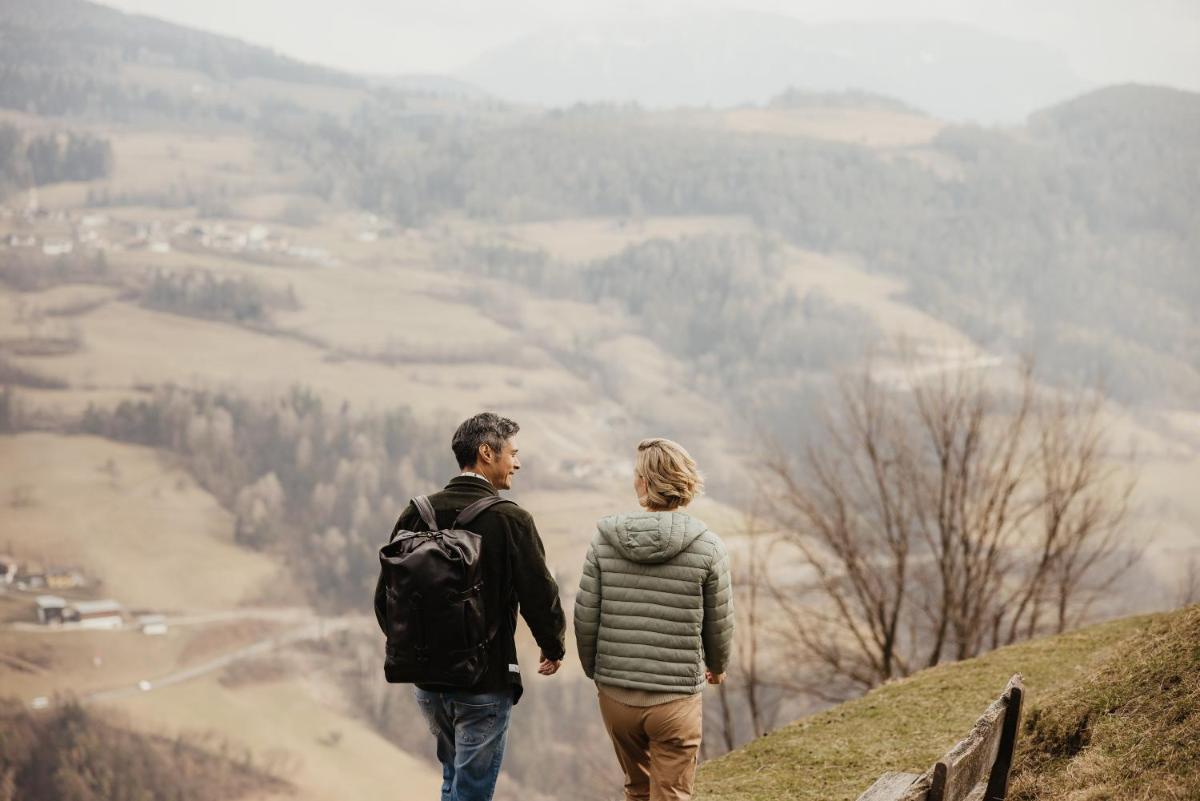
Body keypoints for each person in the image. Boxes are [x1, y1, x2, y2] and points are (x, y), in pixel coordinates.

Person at [376, 412, 566, 801]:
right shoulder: (511, 519)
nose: (517, 462)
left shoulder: (417, 512)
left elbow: (386, 598)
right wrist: (553, 645)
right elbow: (538, 592)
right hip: (484, 681)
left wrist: (417, 647)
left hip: (427, 682)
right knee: (472, 792)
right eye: (512, 453)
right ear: (486, 453)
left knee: (452, 779)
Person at [574, 437, 734, 801]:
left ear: (644, 483)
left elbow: (585, 617)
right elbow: (719, 621)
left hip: (616, 697)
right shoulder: (708, 546)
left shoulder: (603, 540)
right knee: (672, 793)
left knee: (637, 788)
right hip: (675, 699)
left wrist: (597, 671)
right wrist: (718, 666)